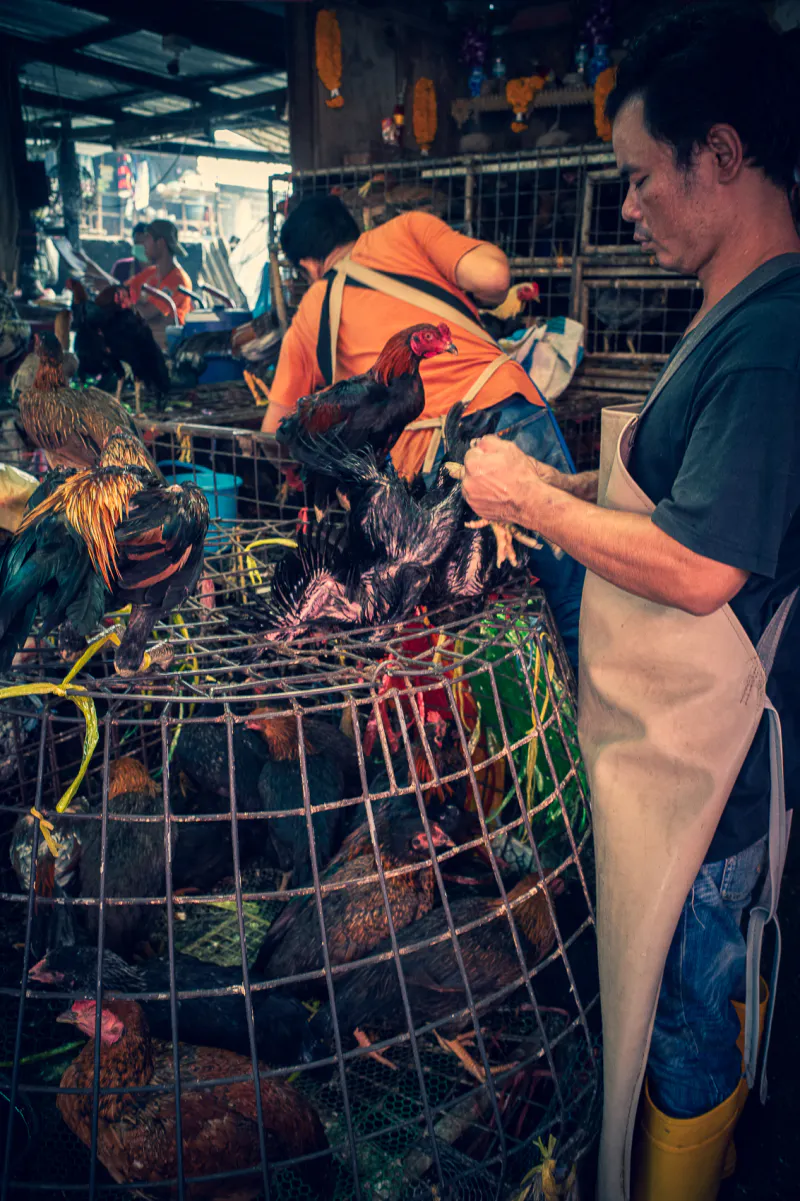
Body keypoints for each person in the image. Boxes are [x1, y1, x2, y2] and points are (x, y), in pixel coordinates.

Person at [461, 6, 800, 1200]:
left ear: (720, 155)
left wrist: (532, 503)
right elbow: (681, 501)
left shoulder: (772, 335)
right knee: (665, 1002)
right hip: (670, 748)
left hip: (717, 777)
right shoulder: (729, 312)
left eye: (638, 176)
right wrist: (556, 481)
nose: (626, 205)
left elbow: (704, 567)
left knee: (691, 1019)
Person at [261, 195, 587, 666]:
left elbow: (276, 432)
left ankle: (527, 722)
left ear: (310, 264)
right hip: (508, 405)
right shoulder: (405, 230)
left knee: (470, 622)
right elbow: (494, 277)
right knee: (571, 591)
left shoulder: (313, 309)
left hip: (442, 461)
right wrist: (492, 298)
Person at [127, 219, 193, 347]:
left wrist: (133, 302)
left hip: (165, 350)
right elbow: (124, 290)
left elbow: (146, 313)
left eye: (147, 239)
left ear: (161, 243)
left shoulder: (179, 281)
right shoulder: (150, 273)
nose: (143, 244)